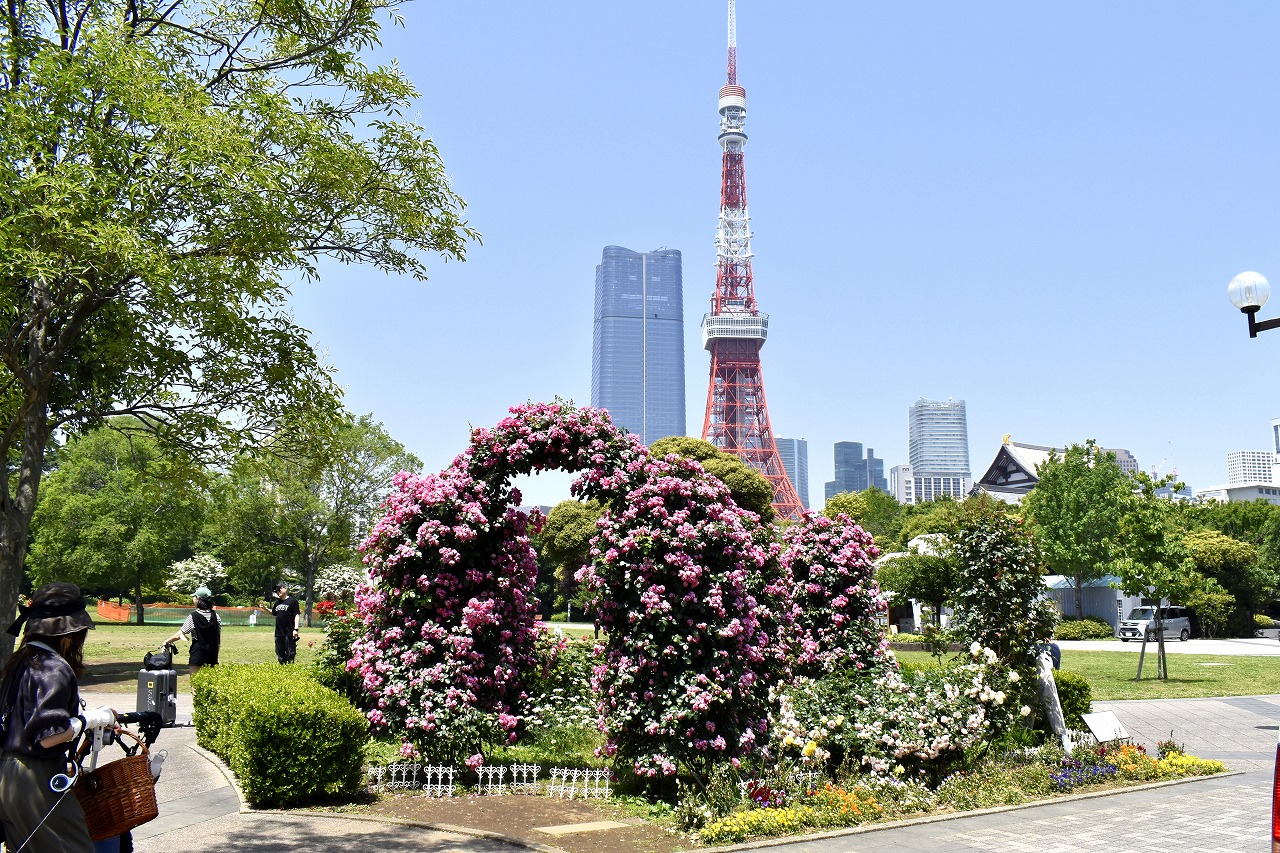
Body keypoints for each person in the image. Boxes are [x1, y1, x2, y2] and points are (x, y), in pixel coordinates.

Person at [0, 583, 117, 852]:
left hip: (7, 773)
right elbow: (48, 737)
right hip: (35, 778)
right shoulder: (53, 667)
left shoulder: (19, 662)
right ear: (72, 631)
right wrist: (91, 719)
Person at [164, 586, 221, 675]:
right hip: (212, 651)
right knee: (210, 680)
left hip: (198, 651)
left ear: (198, 599)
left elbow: (180, 634)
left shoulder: (193, 616)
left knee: (195, 680)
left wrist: (167, 641)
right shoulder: (216, 616)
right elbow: (217, 637)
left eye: (194, 597)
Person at [263, 583, 300, 664]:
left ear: (285, 589)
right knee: (280, 653)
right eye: (276, 591)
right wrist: (265, 609)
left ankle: (290, 667)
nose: (277, 592)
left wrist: (296, 629)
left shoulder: (293, 601)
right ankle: (282, 666)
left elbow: (296, 615)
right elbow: (274, 613)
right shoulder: (277, 602)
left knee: (290, 653)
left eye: (279, 589)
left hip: (289, 631)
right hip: (279, 632)